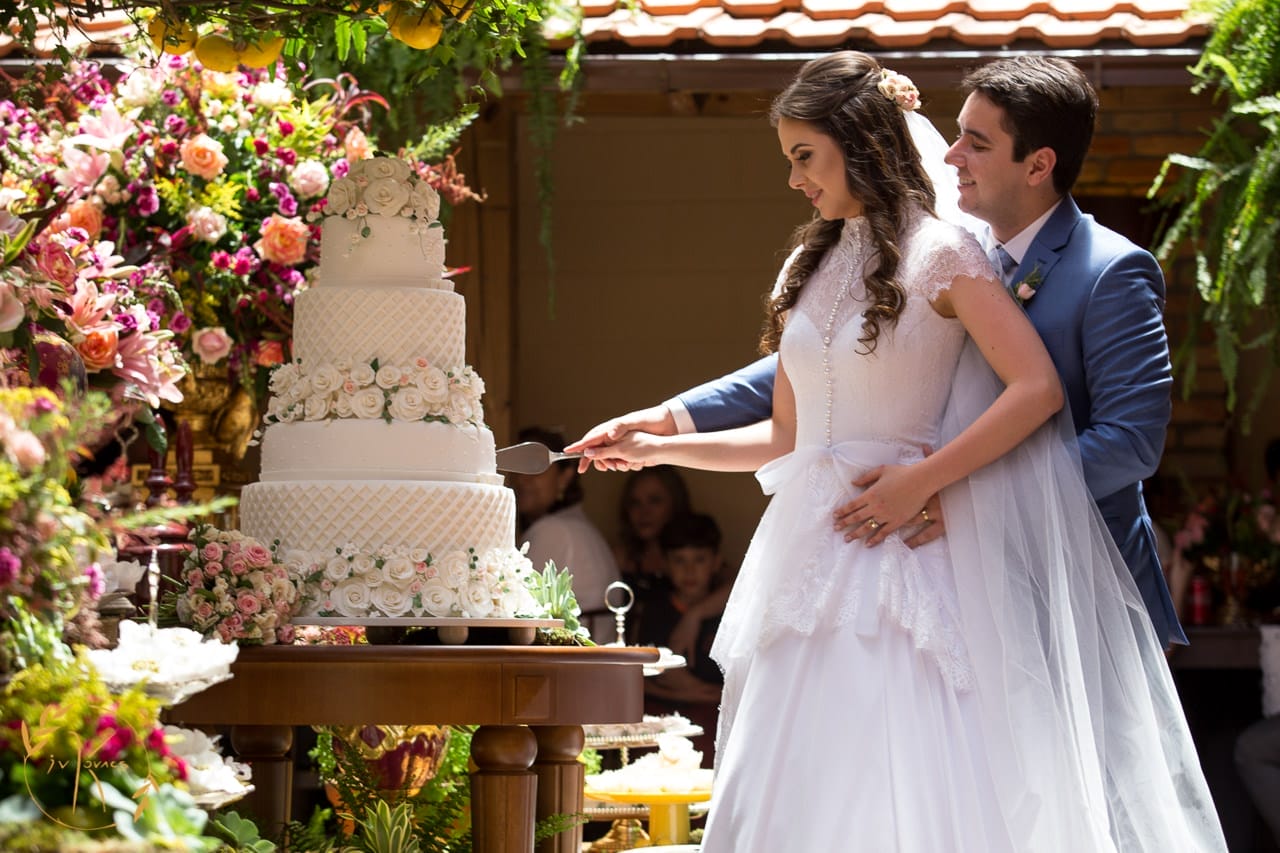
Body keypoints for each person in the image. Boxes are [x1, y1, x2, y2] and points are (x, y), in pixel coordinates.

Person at [570, 52, 1225, 850]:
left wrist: (959, 495)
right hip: (845, 545)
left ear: (1038, 163)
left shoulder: (1095, 268)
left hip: (1060, 578)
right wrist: (666, 430)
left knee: (1086, 809)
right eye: (956, 134)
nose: (951, 153)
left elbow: (1123, 438)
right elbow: (822, 379)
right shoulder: (879, 252)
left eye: (977, 141)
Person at [509, 426, 620, 639]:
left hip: (580, 652)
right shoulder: (575, 525)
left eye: (534, 468)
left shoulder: (553, 531)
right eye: (516, 468)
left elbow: (515, 608)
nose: (521, 479)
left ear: (565, 477)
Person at [633, 512, 727, 762]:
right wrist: (693, 693)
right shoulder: (656, 611)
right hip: (664, 709)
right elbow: (645, 678)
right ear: (665, 564)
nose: (689, 570)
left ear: (716, 562)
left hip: (713, 711)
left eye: (699, 560)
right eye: (679, 560)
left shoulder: (728, 613)